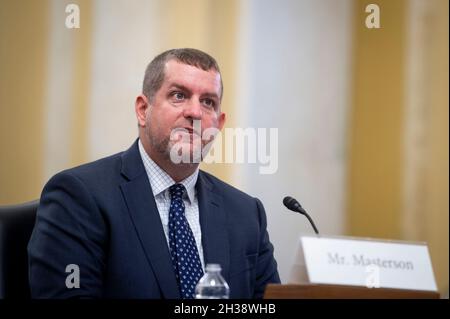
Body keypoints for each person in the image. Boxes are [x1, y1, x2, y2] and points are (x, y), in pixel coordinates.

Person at [28, 48, 280, 298]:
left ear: (219, 123)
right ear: (142, 110)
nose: (195, 112)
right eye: (179, 95)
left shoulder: (247, 214)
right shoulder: (79, 197)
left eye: (207, 102)